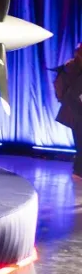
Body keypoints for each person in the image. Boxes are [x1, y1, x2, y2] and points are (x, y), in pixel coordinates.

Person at [54, 44, 82, 175]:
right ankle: (79, 170)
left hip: (75, 110)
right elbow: (64, 89)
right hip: (75, 111)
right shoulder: (70, 67)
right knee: (80, 142)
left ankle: (78, 169)